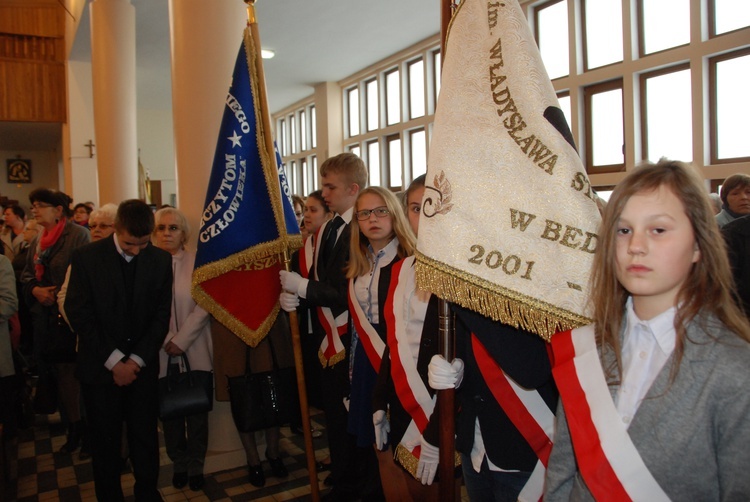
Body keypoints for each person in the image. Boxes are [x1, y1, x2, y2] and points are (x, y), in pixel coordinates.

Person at [544, 160, 750, 500]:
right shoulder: (588, 349)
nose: (635, 246)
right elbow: (564, 472)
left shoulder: (734, 369)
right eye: (623, 230)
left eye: (658, 230)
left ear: (698, 245)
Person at [65, 199, 173, 502]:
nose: (136, 250)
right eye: (129, 243)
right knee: (105, 443)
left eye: (142, 243)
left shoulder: (159, 260)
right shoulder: (86, 257)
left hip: (142, 368)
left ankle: (147, 494)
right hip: (100, 369)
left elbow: (160, 317)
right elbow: (80, 314)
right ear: (117, 229)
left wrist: (136, 360)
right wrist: (115, 362)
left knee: (145, 439)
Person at [278, 152, 367, 500]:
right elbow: (321, 278)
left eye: (330, 187)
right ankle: (343, 479)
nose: (324, 192)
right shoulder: (331, 226)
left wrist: (303, 289)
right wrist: (298, 298)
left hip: (354, 340)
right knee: (334, 417)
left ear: (352, 188)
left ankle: (356, 486)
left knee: (353, 419)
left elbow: (348, 291)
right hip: (329, 337)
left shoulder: (360, 228)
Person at [372, 175, 460, 499]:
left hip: (443, 411)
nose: (422, 216)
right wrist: (379, 400)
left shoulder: (462, 273)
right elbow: (393, 343)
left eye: (431, 206)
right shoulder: (402, 269)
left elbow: (464, 359)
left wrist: (438, 431)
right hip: (403, 404)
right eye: (414, 207)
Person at [344, 186, 415, 499]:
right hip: (365, 361)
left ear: (394, 214)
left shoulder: (410, 260)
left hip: (397, 361)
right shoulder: (359, 263)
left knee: (396, 444)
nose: (372, 219)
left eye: (380, 211)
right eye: (364, 213)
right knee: (375, 445)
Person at [20, 189, 90, 454]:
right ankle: (72, 426)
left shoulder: (78, 236)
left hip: (70, 319)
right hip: (46, 320)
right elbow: (27, 276)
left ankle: (86, 430)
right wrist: (37, 291)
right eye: (33, 206)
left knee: (77, 376)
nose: (34, 211)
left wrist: (59, 295)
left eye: (40, 206)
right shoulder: (39, 239)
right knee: (60, 375)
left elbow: (85, 278)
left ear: (58, 210)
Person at [153, 207, 212, 492]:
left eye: (173, 228)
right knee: (170, 413)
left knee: (197, 414)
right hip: (160, 351)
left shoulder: (197, 262)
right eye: (161, 228)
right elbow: (143, 308)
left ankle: (196, 465)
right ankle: (178, 462)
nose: (167, 233)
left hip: (196, 348)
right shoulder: (146, 264)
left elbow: (205, 304)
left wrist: (183, 338)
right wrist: (166, 339)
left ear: (184, 233)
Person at [212, 315, 293, 488]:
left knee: (273, 394)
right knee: (243, 397)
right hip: (232, 325)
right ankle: (253, 460)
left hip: (268, 324)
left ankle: (273, 452)